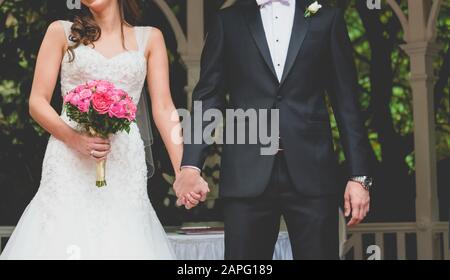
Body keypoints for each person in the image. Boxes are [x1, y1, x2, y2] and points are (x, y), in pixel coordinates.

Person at [174, 0, 373, 260]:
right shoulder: (227, 21)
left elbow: (347, 103)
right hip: (246, 173)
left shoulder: (327, 18)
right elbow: (208, 97)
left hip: (312, 171)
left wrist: (359, 177)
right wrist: (191, 165)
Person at [1, 0, 181, 260]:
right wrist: (74, 139)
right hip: (68, 160)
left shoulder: (150, 38)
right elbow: (37, 102)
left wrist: (183, 170)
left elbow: (164, 107)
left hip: (123, 163)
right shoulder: (61, 32)